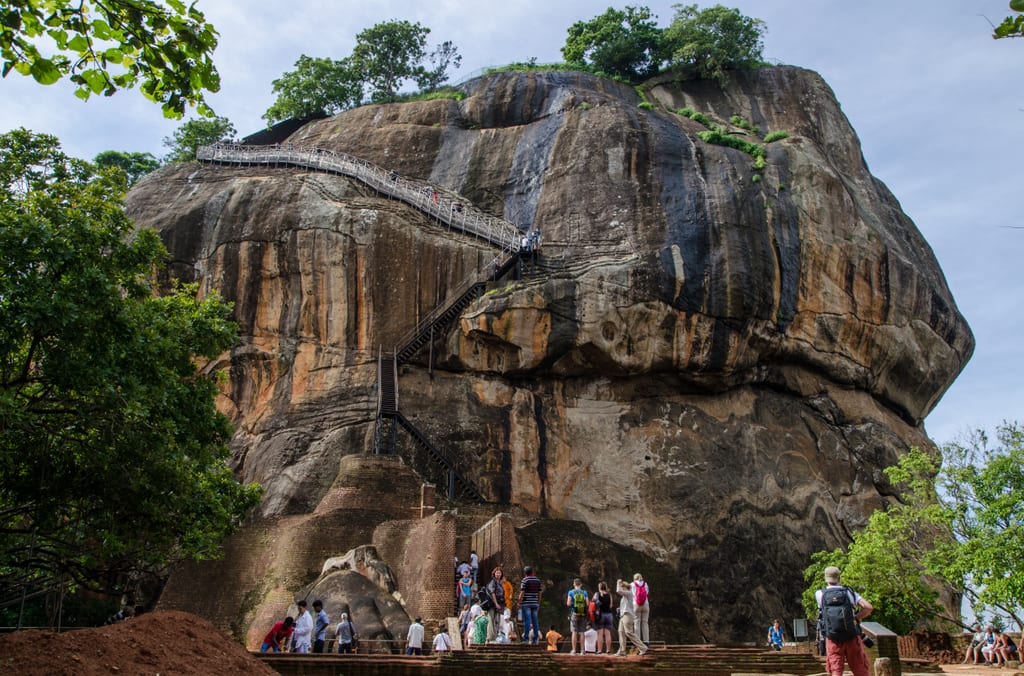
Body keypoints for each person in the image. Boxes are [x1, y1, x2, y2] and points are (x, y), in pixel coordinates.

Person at [815, 566, 873, 676]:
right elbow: (868, 607)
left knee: (836, 670)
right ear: (839, 578)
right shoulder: (849, 592)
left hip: (832, 637)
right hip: (851, 635)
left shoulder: (820, 594)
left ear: (825, 578)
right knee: (860, 668)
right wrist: (855, 618)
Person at [615, 578, 648, 656]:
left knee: (628, 632)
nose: (621, 588)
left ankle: (643, 647)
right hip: (623, 615)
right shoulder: (625, 597)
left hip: (628, 615)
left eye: (623, 587)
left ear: (626, 588)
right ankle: (622, 650)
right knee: (621, 632)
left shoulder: (629, 593)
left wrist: (618, 583)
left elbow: (618, 591)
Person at [518, 565, 543, 645]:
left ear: (525, 573)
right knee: (535, 621)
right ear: (532, 572)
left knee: (527, 621)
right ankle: (535, 640)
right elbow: (539, 593)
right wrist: (538, 602)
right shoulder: (537, 580)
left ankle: (526, 639)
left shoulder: (525, 580)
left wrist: (519, 602)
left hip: (526, 603)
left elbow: (522, 592)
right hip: (535, 603)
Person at [566, 578, 589, 655]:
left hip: (574, 613)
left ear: (574, 584)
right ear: (581, 584)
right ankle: (582, 650)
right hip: (582, 614)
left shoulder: (571, 592)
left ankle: (574, 650)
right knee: (582, 632)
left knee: (574, 632)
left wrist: (573, 604)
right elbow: (587, 603)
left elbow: (568, 603)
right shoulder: (584, 592)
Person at [485, 566, 507, 642]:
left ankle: (494, 637)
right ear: (494, 574)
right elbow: (492, 593)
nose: (498, 574)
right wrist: (496, 603)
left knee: (497, 621)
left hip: (499, 605)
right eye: (497, 573)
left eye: (499, 573)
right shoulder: (493, 582)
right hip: (492, 605)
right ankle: (490, 638)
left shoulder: (499, 583)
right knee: (491, 620)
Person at [593, 581, 614, 654]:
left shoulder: (597, 594)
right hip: (609, 615)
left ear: (599, 588)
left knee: (600, 634)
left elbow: (593, 603)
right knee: (608, 634)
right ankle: (608, 650)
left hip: (600, 615)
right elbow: (611, 605)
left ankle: (599, 650)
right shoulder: (609, 595)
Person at [632, 573, 650, 645]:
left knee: (637, 622)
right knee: (645, 622)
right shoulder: (645, 584)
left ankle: (637, 641)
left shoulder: (632, 584)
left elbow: (631, 594)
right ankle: (646, 641)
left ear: (634, 578)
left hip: (636, 604)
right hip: (645, 604)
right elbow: (647, 593)